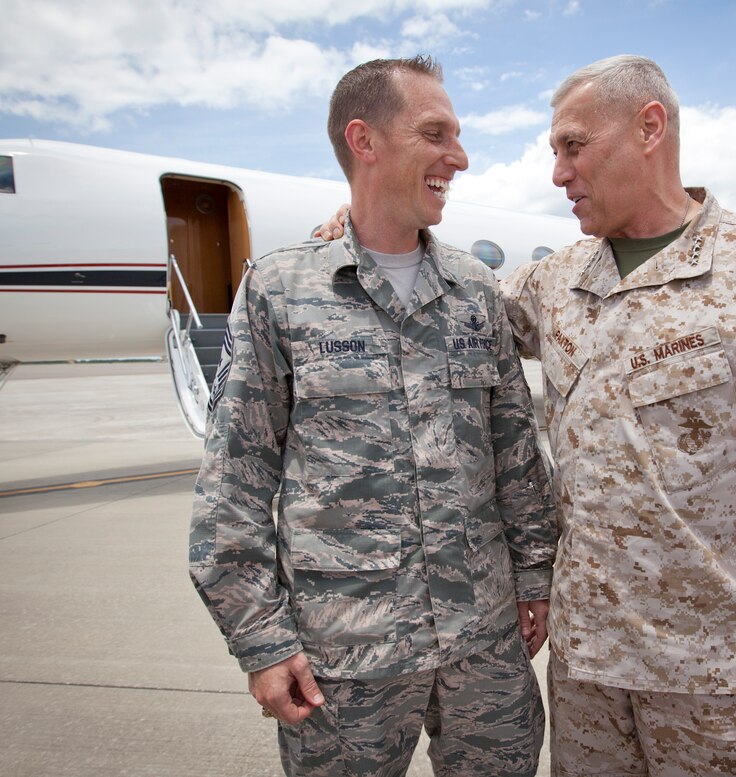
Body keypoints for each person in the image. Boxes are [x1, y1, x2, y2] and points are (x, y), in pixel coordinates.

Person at [316, 54, 736, 777]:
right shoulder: (557, 283)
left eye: (573, 147)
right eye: (555, 151)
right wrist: (362, 220)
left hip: (721, 677)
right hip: (587, 681)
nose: (558, 172)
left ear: (650, 128)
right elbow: (452, 295)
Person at [189, 55, 556, 777]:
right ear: (365, 140)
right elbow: (233, 484)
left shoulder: (476, 289)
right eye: (436, 133)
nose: (460, 155)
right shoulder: (281, 289)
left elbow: (516, 451)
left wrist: (537, 574)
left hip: (484, 649)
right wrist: (260, 639)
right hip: (344, 662)